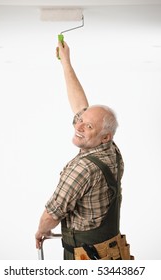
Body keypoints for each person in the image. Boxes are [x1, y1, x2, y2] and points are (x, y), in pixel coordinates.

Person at [35, 41, 125, 260]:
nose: (79, 127)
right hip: (113, 251)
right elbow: (80, 106)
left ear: (105, 136)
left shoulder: (82, 168)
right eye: (80, 122)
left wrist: (42, 231)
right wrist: (66, 62)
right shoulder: (110, 149)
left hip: (86, 257)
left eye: (88, 126)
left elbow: (52, 214)